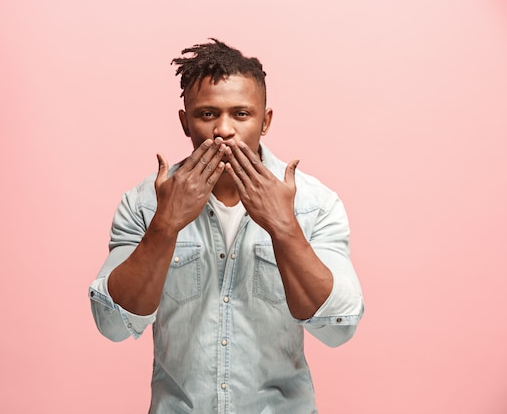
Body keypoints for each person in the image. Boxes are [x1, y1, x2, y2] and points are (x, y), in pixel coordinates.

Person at [89, 38, 364, 414]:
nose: (223, 130)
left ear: (265, 122)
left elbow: (339, 328)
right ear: (185, 122)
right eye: (206, 115)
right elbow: (112, 325)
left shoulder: (314, 204)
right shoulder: (144, 203)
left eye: (241, 114)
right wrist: (165, 225)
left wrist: (284, 228)